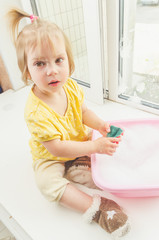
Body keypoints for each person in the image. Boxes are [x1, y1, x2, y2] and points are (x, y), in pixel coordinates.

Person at [6, 8, 130, 238]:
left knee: (106, 157)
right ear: (27, 71)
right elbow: (57, 148)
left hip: (78, 140)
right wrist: (94, 147)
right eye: (40, 64)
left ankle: (79, 164)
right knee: (47, 185)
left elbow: (83, 112)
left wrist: (100, 125)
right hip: (50, 155)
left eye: (58, 60)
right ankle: (97, 207)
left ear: (68, 60)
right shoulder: (35, 112)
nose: (52, 71)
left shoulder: (69, 86)